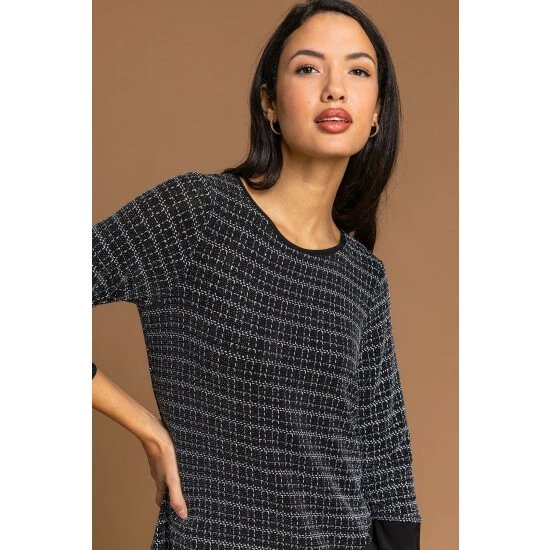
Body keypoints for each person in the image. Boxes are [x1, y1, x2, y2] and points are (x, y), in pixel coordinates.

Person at [92, 0, 422, 548]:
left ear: (377, 114)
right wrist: (147, 428)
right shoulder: (199, 213)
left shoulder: (363, 275)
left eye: (358, 72)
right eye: (308, 68)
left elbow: (386, 465)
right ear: (269, 102)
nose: (335, 90)